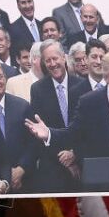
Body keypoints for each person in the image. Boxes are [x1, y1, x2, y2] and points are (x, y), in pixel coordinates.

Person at [29, 39, 82, 192]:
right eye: (48, 60)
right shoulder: (38, 89)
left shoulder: (82, 85)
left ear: (64, 58)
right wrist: (64, 158)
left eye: (55, 58)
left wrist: (74, 154)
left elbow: (88, 128)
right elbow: (40, 130)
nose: (52, 64)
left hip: (80, 161)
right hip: (53, 163)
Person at [0, 59, 36, 193]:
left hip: (23, 181)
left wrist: (21, 169)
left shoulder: (22, 106)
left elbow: (33, 142)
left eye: (0, 77)